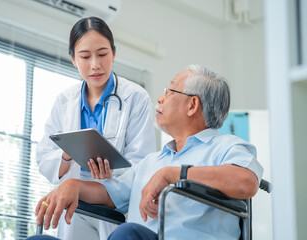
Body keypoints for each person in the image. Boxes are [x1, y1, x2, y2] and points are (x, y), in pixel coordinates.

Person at [29, 64, 263, 240]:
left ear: (192, 105)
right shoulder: (152, 162)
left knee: (127, 233)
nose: (160, 98)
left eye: (170, 91)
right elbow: (111, 194)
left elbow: (246, 182)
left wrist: (173, 174)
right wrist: (73, 186)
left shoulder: (227, 147)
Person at [36, 16, 156, 240]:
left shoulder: (135, 97)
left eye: (102, 54)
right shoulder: (64, 101)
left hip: (115, 206)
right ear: (73, 59)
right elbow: (44, 157)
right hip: (76, 204)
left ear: (113, 53)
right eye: (85, 56)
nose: (95, 65)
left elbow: (143, 163)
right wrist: (66, 154)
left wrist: (112, 172)